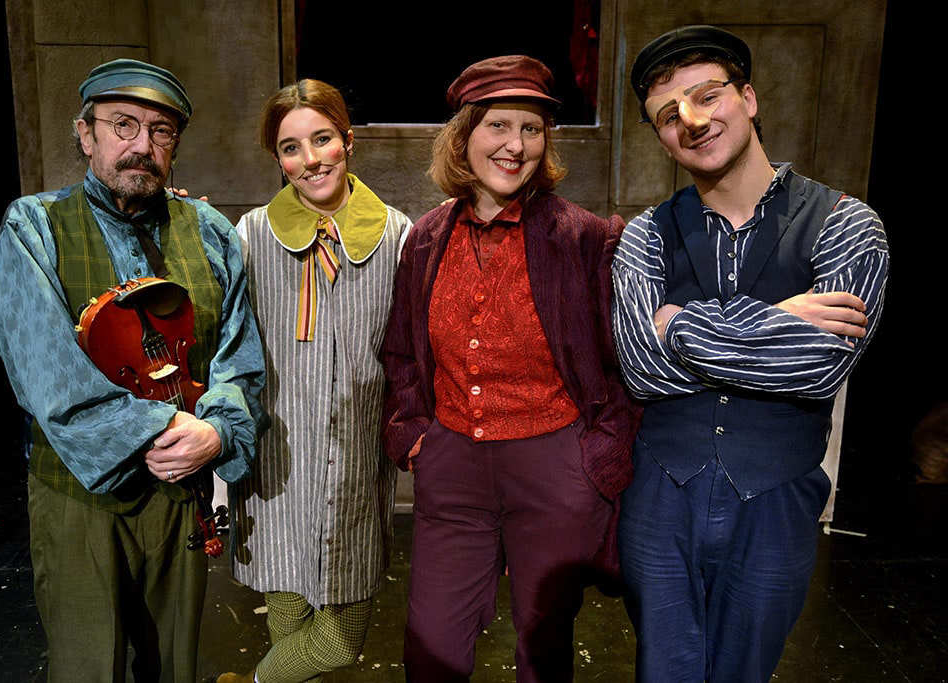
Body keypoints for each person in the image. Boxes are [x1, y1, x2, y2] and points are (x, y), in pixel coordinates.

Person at [612, 25, 889, 682]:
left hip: (775, 497)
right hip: (662, 496)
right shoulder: (645, 235)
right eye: (668, 115)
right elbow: (640, 366)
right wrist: (780, 319)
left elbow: (818, 365)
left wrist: (679, 323)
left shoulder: (847, 223)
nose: (692, 120)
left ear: (749, 98)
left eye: (707, 95)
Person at [0, 58, 267, 682]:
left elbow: (239, 357)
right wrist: (165, 428)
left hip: (182, 492)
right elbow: (46, 372)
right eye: (123, 124)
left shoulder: (212, 233)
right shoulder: (34, 225)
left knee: (175, 665)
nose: (142, 144)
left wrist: (218, 432)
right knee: (90, 668)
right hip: (79, 495)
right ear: (86, 135)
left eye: (160, 131)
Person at [381, 55, 641, 683]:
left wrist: (594, 457)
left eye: (532, 129)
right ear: (464, 135)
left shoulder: (582, 237)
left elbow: (620, 363)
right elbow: (402, 351)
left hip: (553, 467)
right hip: (453, 465)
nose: (515, 145)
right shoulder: (426, 237)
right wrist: (413, 434)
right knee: (432, 649)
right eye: (499, 125)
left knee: (542, 647)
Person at [217, 79, 413, 683]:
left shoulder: (397, 235)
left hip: (356, 468)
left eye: (322, 139)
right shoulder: (250, 235)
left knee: (340, 640)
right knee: (289, 625)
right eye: (291, 148)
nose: (311, 159)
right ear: (278, 159)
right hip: (277, 473)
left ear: (347, 141)